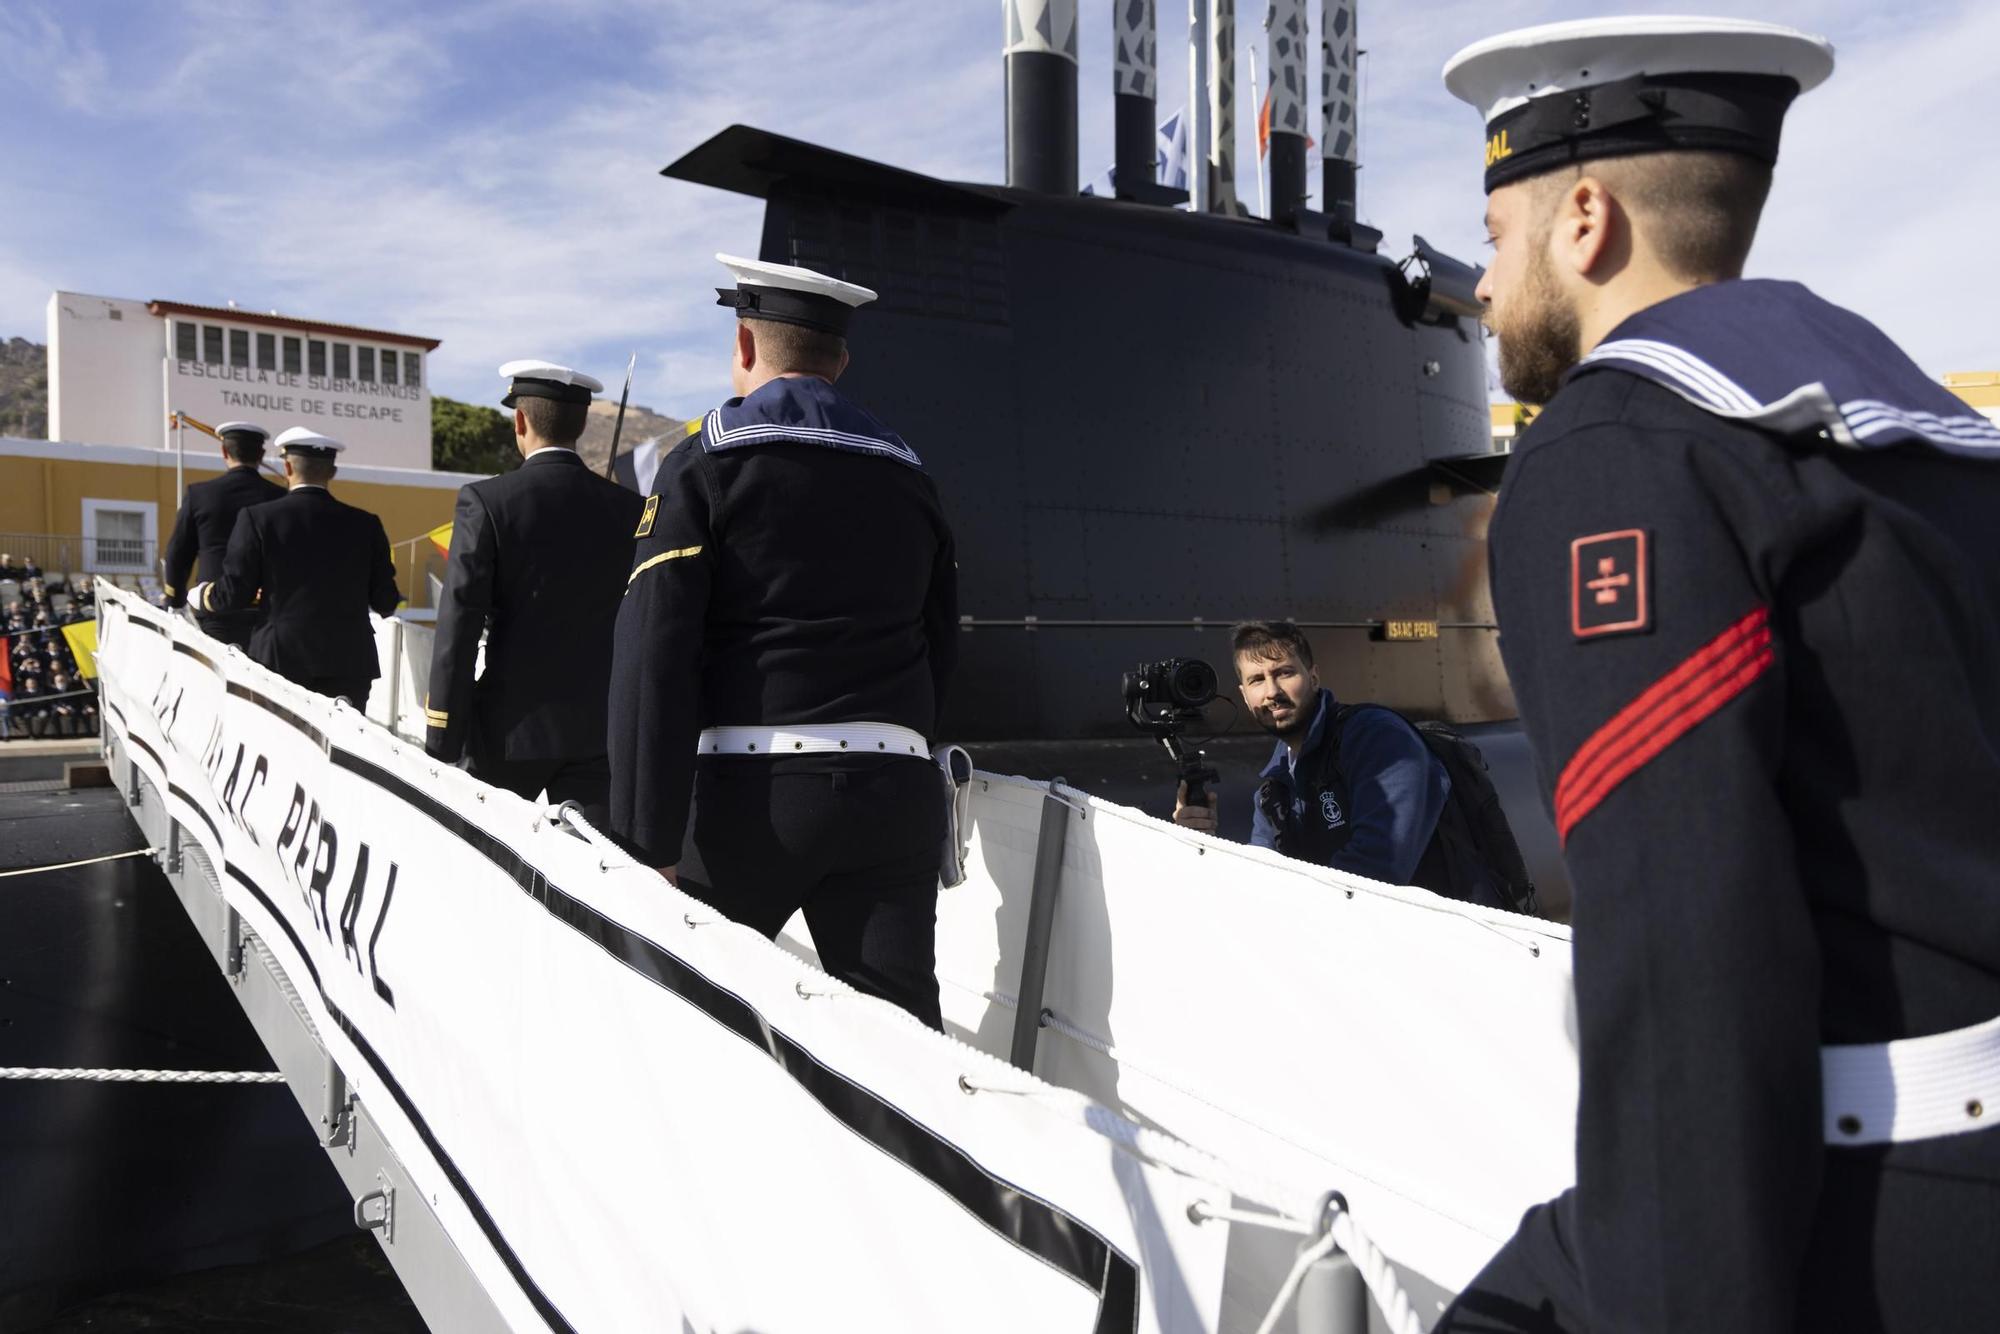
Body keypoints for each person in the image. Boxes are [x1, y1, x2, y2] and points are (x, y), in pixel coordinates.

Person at [1431, 17, 2000, 1333]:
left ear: (1584, 218)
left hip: (1867, 1209)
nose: (1481, 280)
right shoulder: (1922, 437)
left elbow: (1692, 963)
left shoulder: (1622, 450)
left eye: (1495, 234)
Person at [609, 253, 959, 1029]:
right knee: (904, 1049)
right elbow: (942, 643)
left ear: (744, 346)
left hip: (751, 803)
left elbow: (653, 656)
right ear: (841, 358)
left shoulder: (707, 461)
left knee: (688, 1023)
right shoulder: (910, 473)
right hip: (893, 799)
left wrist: (644, 841)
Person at [424, 361, 643, 814]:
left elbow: (458, 627)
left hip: (508, 734)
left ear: (520, 421)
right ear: (582, 424)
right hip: (601, 731)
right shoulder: (631, 509)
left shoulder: (486, 501)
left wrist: (441, 737)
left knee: (490, 871)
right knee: (591, 876)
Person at [1174, 620, 1508, 906]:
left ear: (1314, 677)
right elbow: (1261, 881)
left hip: (1443, 957)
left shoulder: (1375, 738)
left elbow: (1376, 870)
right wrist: (1204, 843)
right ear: (1245, 697)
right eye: (1257, 680)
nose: (1272, 691)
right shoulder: (1274, 788)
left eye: (1285, 672)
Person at [191, 428, 402, 706]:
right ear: (333, 472)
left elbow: (235, 594)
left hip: (281, 658)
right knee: (343, 748)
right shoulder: (367, 524)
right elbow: (386, 602)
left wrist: (202, 595)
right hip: (349, 662)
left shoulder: (258, 518)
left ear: (287, 466)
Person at [162, 421, 287, 647]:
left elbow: (178, 553)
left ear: (224, 451)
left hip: (215, 606)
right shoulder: (279, 497)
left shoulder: (200, 494)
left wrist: (175, 599)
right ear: (261, 455)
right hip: (267, 609)